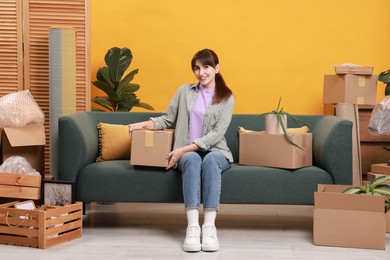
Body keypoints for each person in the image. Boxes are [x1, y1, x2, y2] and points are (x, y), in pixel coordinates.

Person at [128, 49, 234, 252]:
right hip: (188, 153)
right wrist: (141, 125)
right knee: (193, 160)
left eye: (206, 67)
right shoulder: (184, 92)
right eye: (197, 68)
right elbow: (166, 119)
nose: (201, 72)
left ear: (216, 68)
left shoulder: (227, 98)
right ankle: (193, 228)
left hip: (216, 151)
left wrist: (181, 150)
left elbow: (216, 135)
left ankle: (209, 228)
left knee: (210, 160)